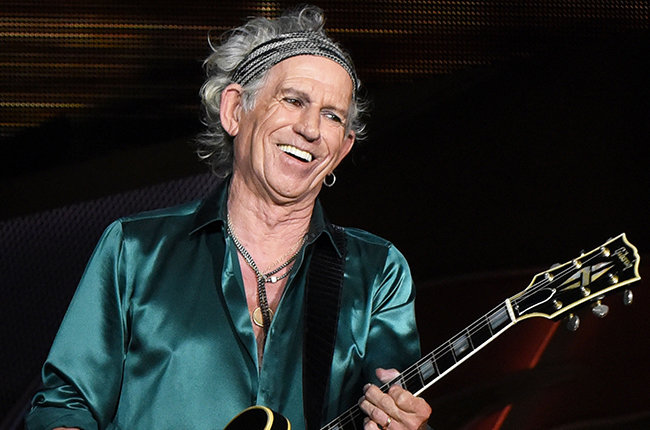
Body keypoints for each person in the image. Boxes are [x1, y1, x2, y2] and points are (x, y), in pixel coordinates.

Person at [26, 5, 432, 430]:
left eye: (332, 116)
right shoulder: (136, 249)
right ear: (235, 110)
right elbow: (64, 406)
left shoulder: (377, 271)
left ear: (343, 148)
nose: (311, 129)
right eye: (293, 100)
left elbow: (397, 409)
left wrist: (412, 425)